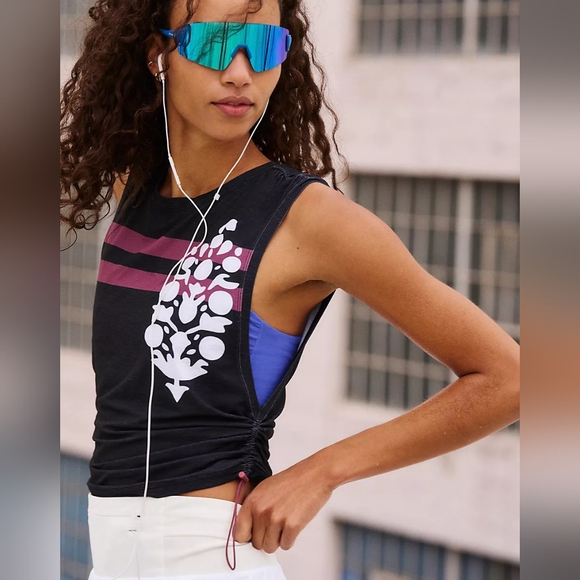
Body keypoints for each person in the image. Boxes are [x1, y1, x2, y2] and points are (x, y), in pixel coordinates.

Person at [60, 0, 520, 579]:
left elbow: (508, 378)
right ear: (159, 55)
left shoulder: (309, 219)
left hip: (211, 554)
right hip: (111, 551)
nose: (240, 73)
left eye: (265, 47)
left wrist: (323, 471)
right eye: (213, 44)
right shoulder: (134, 185)